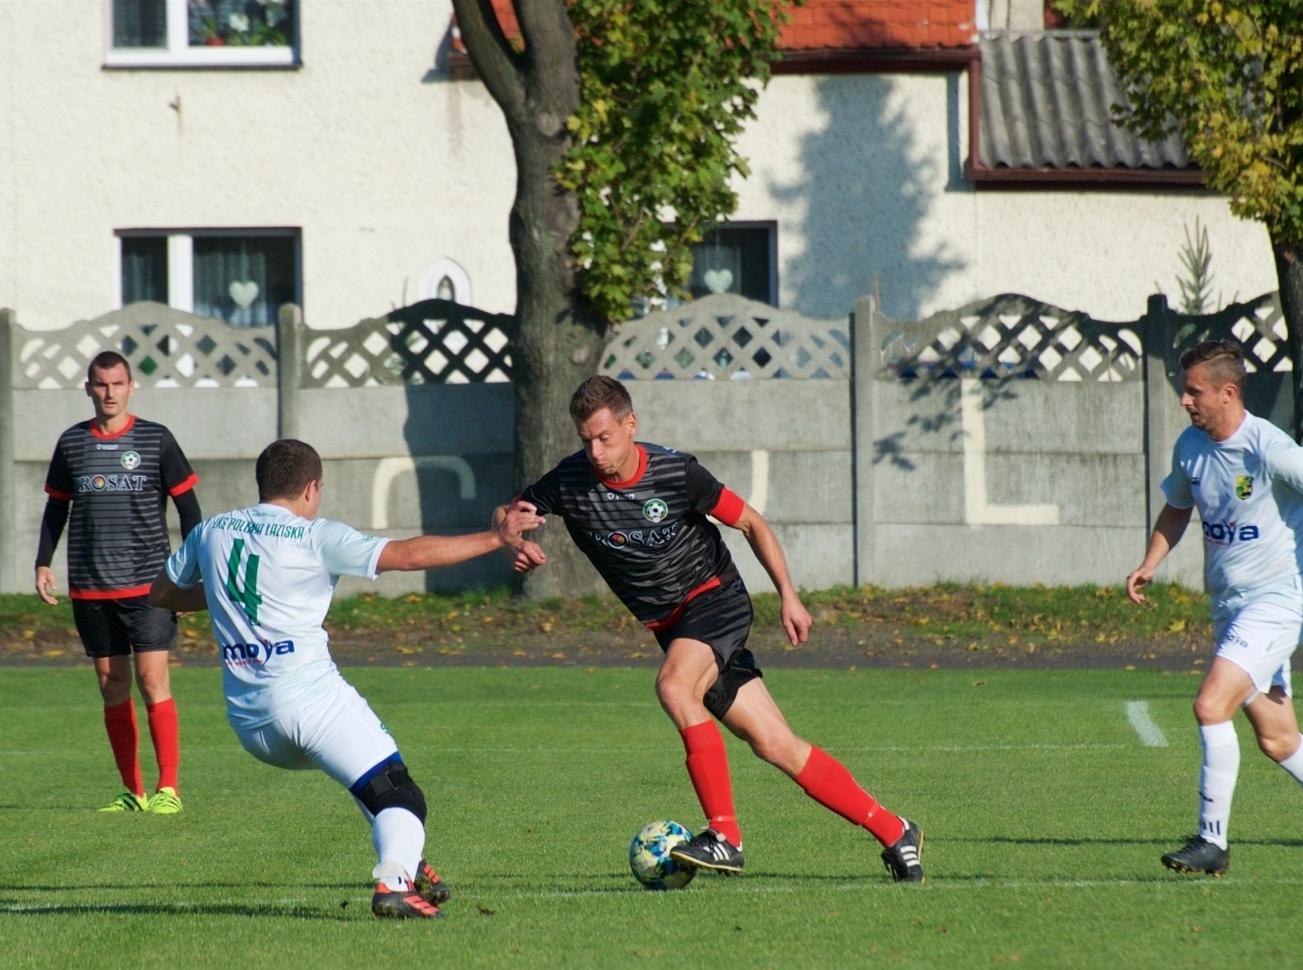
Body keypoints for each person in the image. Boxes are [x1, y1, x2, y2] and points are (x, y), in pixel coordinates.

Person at [502, 376, 925, 883]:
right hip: (672, 625)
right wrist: (511, 537)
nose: (594, 451)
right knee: (776, 744)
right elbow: (511, 512)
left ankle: (725, 835)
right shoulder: (569, 480)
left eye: (605, 438)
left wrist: (788, 595)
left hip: (715, 600)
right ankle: (896, 831)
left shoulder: (676, 472)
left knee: (674, 686)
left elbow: (751, 524)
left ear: (630, 425)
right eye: (585, 439)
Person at [150, 438, 545, 919]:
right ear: (312, 489)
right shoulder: (315, 537)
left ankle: (407, 858)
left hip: (249, 724)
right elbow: (408, 556)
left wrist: (229, 594)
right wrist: (497, 539)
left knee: (373, 787)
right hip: (309, 705)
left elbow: (163, 593)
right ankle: (394, 883)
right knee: (400, 792)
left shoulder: (211, 532)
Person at [1127, 340, 1303, 877]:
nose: (1184, 400)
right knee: (1277, 739)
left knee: (1210, 705)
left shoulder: (1270, 448)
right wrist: (1151, 561)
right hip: (1230, 607)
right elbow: (1178, 508)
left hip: (1279, 601)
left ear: (1228, 393)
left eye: (1193, 391)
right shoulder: (1191, 447)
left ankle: (1213, 842)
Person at [36, 351, 202, 815]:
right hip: (90, 586)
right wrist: (42, 562)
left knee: (153, 681)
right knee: (112, 685)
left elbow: (190, 511)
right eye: (100, 384)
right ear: (88, 388)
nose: (109, 393)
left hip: (148, 585)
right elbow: (56, 509)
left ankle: (168, 788)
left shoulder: (156, 440)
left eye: (117, 384)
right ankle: (133, 791)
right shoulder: (71, 443)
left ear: (132, 387)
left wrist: (188, 577)